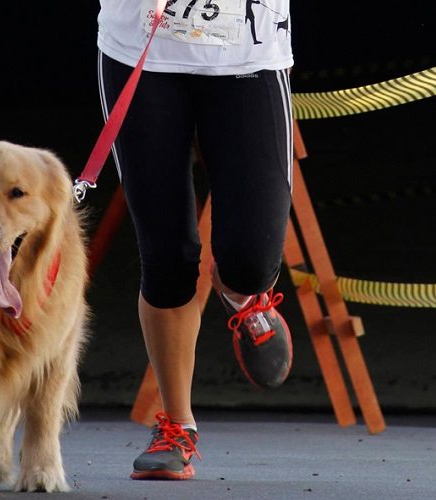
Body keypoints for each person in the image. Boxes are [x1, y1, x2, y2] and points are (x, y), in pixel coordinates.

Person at [97, 0, 294, 480]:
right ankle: (176, 428)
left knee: (250, 258)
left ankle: (243, 293)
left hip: (248, 54)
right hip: (141, 48)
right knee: (166, 258)